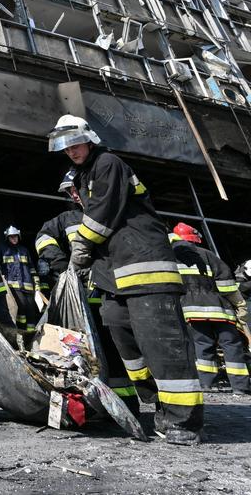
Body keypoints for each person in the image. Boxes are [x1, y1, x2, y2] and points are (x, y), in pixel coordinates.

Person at [49, 114, 202, 445]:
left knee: (162, 346)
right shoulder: (85, 178)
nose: (71, 151)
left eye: (75, 144)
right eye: (66, 148)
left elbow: (103, 214)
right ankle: (157, 401)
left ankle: (183, 422)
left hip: (145, 266)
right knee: (122, 339)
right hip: (114, 276)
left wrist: (81, 246)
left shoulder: (108, 164)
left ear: (88, 140)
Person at [35, 171, 139, 409]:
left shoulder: (116, 213)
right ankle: (87, 402)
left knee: (117, 349)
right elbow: (43, 238)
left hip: (112, 294)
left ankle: (125, 402)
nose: (74, 195)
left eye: (75, 188)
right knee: (79, 351)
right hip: (81, 299)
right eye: (70, 192)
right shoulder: (66, 219)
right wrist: (61, 265)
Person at [169, 223, 249, 394]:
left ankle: (207, 384)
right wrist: (239, 305)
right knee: (231, 345)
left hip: (191, 311)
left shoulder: (170, 258)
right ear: (194, 239)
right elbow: (226, 284)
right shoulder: (208, 255)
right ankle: (240, 387)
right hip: (220, 310)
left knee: (202, 346)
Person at [0, 226, 41, 333]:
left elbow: (32, 269)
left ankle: (31, 335)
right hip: (13, 288)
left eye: (15, 236)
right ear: (7, 238)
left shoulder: (24, 250)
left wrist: (37, 286)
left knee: (31, 311)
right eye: (11, 237)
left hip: (28, 287)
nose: (14, 239)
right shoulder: (2, 250)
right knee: (21, 310)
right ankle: (22, 333)